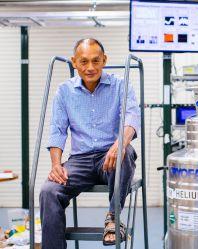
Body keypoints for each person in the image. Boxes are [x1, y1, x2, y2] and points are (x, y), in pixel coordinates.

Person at [39, 38, 140, 248]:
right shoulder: (64, 91)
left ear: (104, 60)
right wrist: (56, 164)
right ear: (74, 62)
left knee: (126, 151)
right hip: (80, 161)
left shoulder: (121, 85)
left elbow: (132, 118)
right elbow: (57, 130)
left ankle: (113, 217)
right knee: (48, 191)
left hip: (112, 157)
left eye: (96, 61)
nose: (90, 67)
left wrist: (119, 144)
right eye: (83, 62)